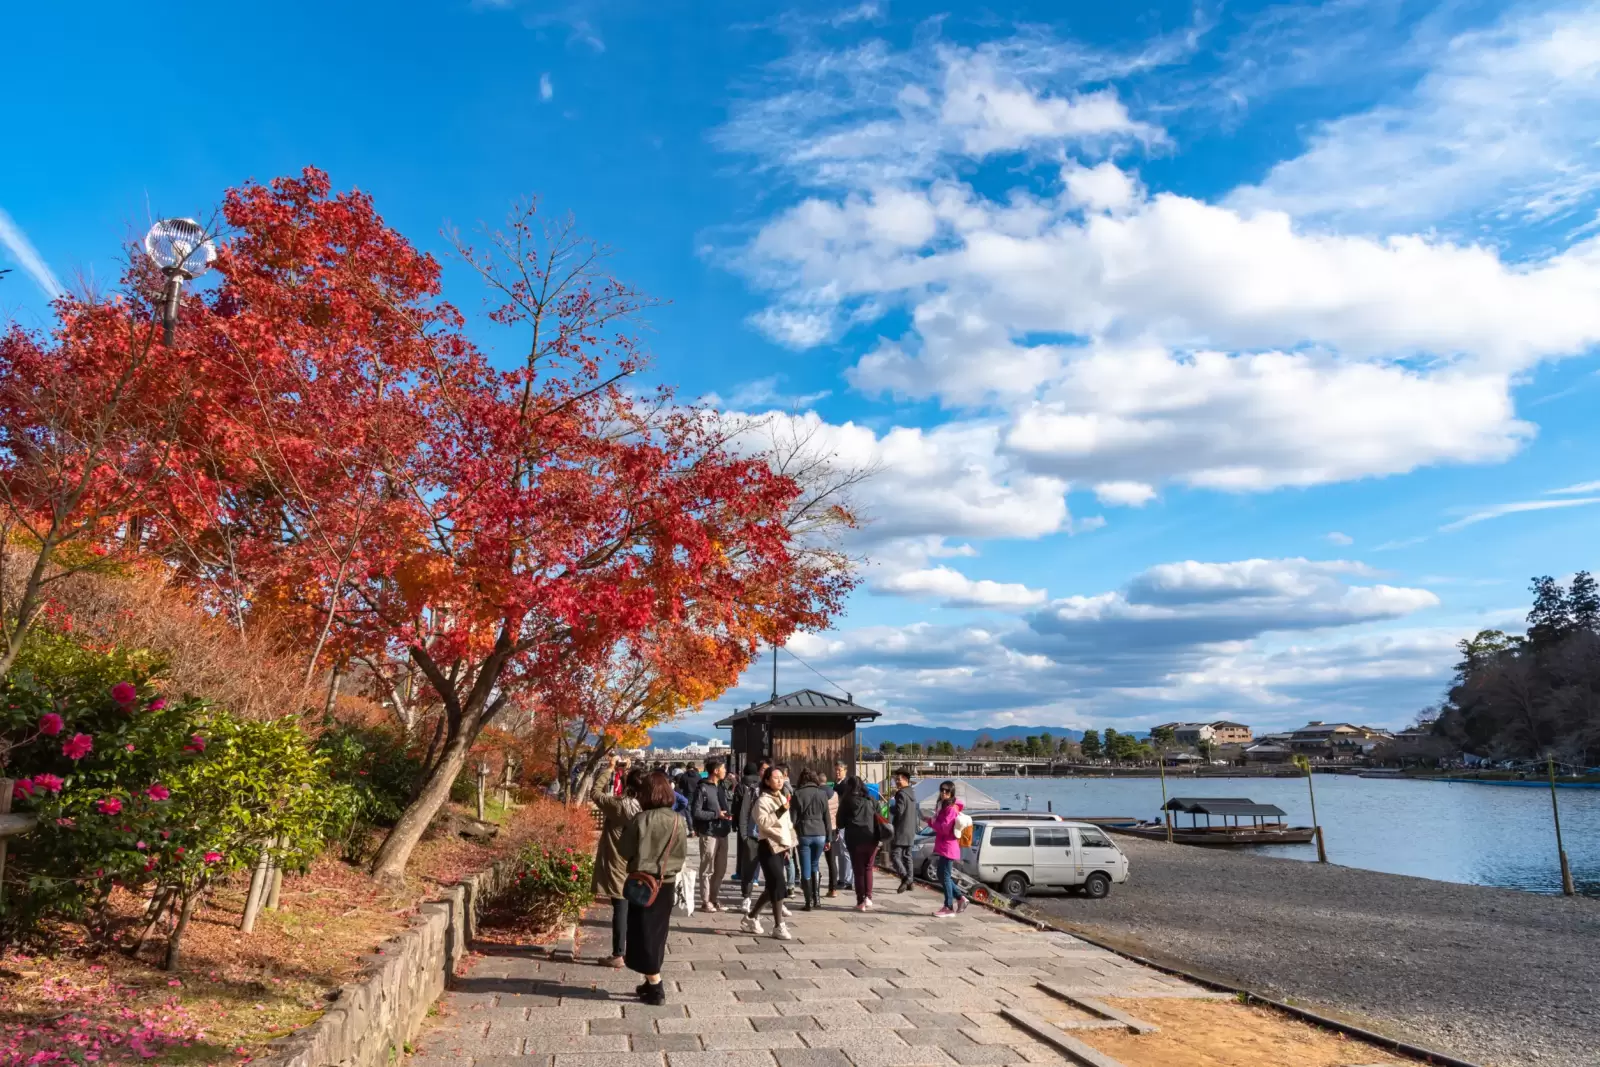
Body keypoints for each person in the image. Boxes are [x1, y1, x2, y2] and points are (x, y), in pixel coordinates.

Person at [619, 770, 688, 1003]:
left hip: (642, 882)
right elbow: (682, 853)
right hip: (666, 883)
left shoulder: (640, 819)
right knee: (657, 933)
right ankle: (649, 982)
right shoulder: (679, 820)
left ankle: (656, 986)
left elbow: (624, 850)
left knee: (642, 933)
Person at [591, 760, 644, 967]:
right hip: (640, 860)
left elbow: (595, 793)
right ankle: (636, 950)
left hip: (619, 861)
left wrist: (610, 769)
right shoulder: (645, 805)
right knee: (638, 907)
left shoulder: (619, 805)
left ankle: (618, 953)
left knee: (620, 906)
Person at [740, 765, 798, 939]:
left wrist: (789, 844)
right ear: (766, 780)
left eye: (781, 777)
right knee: (779, 883)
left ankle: (751, 917)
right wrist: (781, 810)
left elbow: (788, 825)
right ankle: (779, 925)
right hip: (768, 845)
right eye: (775, 777)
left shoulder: (781, 797)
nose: (779, 780)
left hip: (782, 846)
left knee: (773, 885)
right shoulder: (762, 800)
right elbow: (763, 823)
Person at [691, 757, 732, 911]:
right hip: (709, 831)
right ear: (716, 770)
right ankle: (705, 900)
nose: (725, 771)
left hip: (723, 831)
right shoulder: (702, 788)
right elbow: (696, 812)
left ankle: (714, 898)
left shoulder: (721, 786)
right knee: (707, 867)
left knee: (721, 868)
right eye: (723, 768)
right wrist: (716, 814)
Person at [835, 771, 880, 911]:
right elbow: (880, 817)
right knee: (868, 868)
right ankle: (868, 897)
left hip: (854, 839)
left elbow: (840, 823)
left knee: (858, 870)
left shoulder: (847, 801)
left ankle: (860, 901)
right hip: (872, 838)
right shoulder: (871, 800)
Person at [790, 769, 833, 910]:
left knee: (805, 868)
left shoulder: (797, 794)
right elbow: (827, 818)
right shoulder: (822, 794)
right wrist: (829, 838)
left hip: (804, 833)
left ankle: (808, 902)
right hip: (820, 833)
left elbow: (793, 819)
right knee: (815, 864)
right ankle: (817, 899)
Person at [926, 780, 968, 918]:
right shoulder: (943, 806)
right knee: (942, 875)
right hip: (945, 846)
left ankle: (949, 906)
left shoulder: (950, 809)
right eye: (942, 790)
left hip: (948, 846)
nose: (944, 793)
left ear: (952, 793)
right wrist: (931, 821)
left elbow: (944, 828)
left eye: (947, 791)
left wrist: (932, 822)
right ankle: (960, 898)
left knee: (944, 876)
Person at [735, 760, 765, 911]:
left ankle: (776, 899)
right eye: (764, 769)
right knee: (749, 867)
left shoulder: (776, 792)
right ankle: (746, 897)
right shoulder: (752, 791)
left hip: (770, 836)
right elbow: (744, 813)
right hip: (753, 835)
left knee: (774, 870)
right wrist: (744, 834)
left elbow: (780, 815)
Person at [888, 769, 920, 892]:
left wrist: (892, 808)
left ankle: (906, 878)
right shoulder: (912, 793)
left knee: (895, 856)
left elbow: (899, 811)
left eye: (898, 779)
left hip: (901, 829)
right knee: (907, 856)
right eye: (895, 779)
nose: (896, 781)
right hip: (910, 829)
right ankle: (910, 882)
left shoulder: (901, 794)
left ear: (905, 779)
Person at [827, 761, 853, 896]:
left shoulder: (846, 785)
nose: (837, 772)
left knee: (845, 851)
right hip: (836, 822)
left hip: (844, 822)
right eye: (836, 769)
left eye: (840, 770)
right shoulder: (835, 784)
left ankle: (847, 880)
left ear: (845, 770)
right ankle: (842, 878)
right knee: (839, 852)